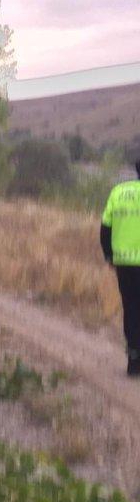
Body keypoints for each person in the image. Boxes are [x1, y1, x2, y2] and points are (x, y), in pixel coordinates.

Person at [101, 158, 140, 377]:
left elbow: (105, 228)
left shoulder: (119, 192)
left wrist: (108, 255)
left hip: (124, 264)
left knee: (132, 309)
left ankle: (134, 361)